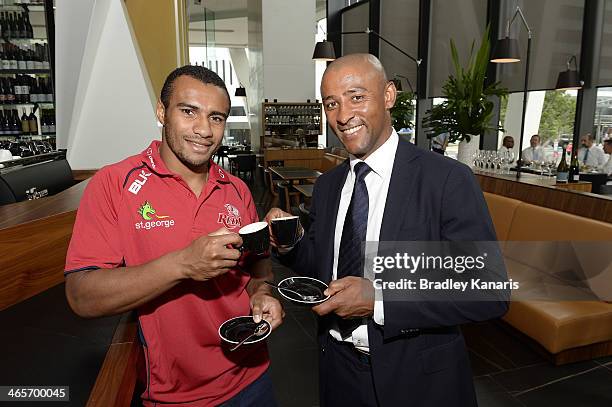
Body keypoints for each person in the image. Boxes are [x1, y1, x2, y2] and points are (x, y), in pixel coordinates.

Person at [265, 54, 508, 407]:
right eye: (331, 103)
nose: (343, 115)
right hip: (337, 367)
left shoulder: (446, 180)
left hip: (416, 377)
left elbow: (488, 290)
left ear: (389, 95)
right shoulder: (330, 186)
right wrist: (289, 242)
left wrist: (379, 300)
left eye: (357, 97)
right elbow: (321, 263)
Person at [64, 66, 283, 406]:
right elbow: (81, 296)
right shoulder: (114, 184)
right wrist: (182, 264)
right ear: (161, 112)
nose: (203, 130)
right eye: (188, 111)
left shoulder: (237, 189)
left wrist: (262, 295)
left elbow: (258, 273)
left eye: (216, 118)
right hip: (174, 395)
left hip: (253, 376)